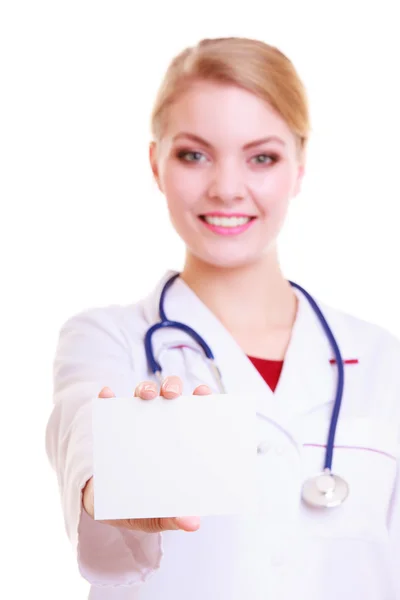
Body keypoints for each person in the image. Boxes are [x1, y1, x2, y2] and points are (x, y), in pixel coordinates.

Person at [45, 37, 400, 600]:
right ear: (155, 163)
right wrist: (114, 481)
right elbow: (88, 441)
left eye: (262, 157)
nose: (227, 188)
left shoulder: (383, 360)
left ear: (300, 167)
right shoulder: (107, 340)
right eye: (194, 154)